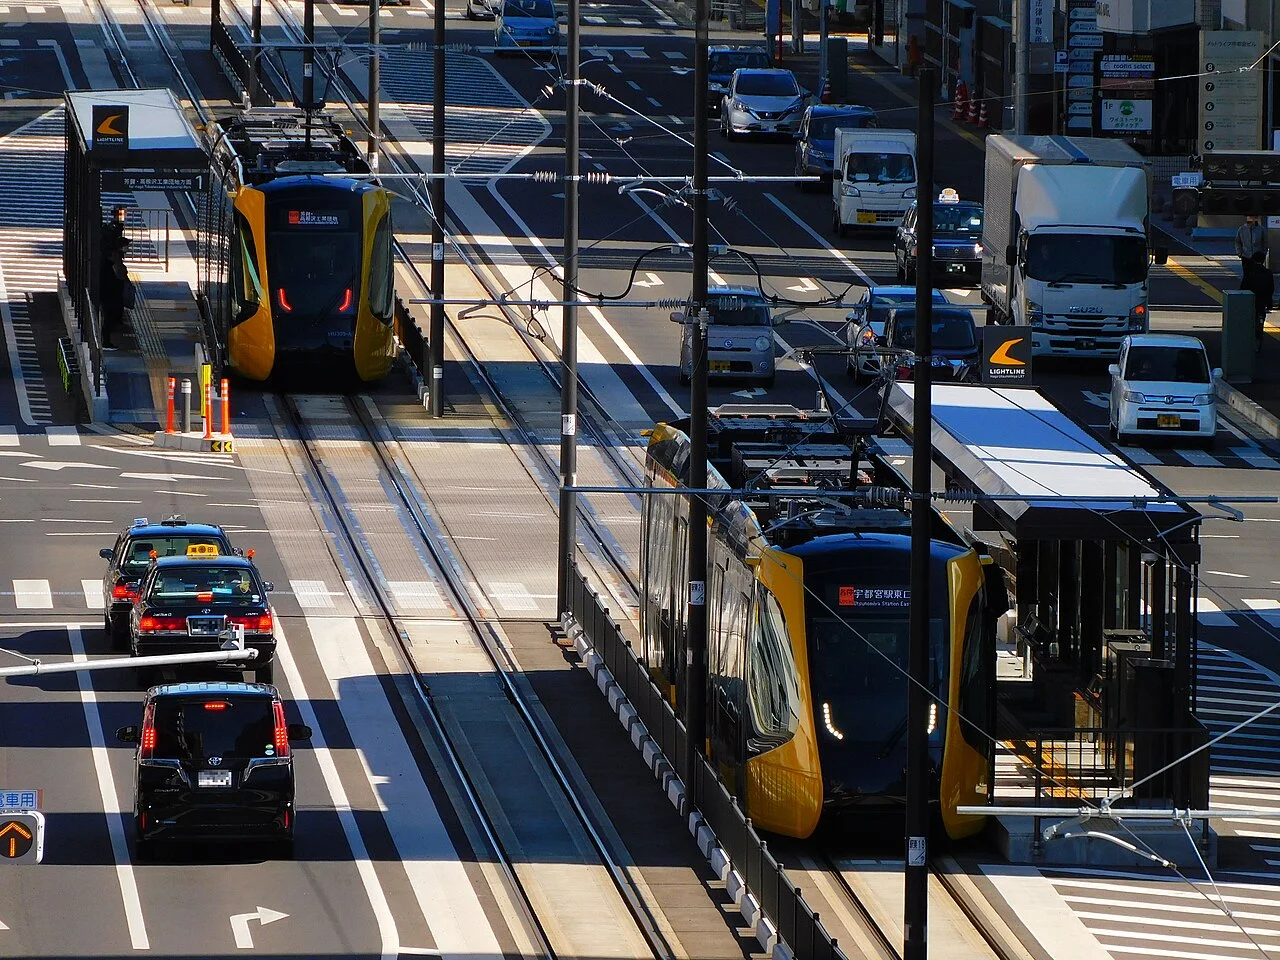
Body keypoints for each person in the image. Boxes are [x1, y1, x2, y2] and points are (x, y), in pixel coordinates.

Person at [98, 234, 129, 350]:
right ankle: (105, 342)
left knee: (109, 315)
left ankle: (106, 339)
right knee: (108, 316)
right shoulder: (113, 259)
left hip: (109, 292)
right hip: (109, 293)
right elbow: (120, 274)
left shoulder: (108, 260)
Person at [1240, 250, 1273, 351]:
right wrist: (1269, 303)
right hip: (1262, 301)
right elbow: (1271, 288)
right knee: (1260, 321)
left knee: (1249, 321)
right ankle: (1258, 342)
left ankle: (1248, 340)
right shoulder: (1268, 273)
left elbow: (1243, 286)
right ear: (1263, 261)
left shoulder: (1249, 272)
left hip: (1251, 300)